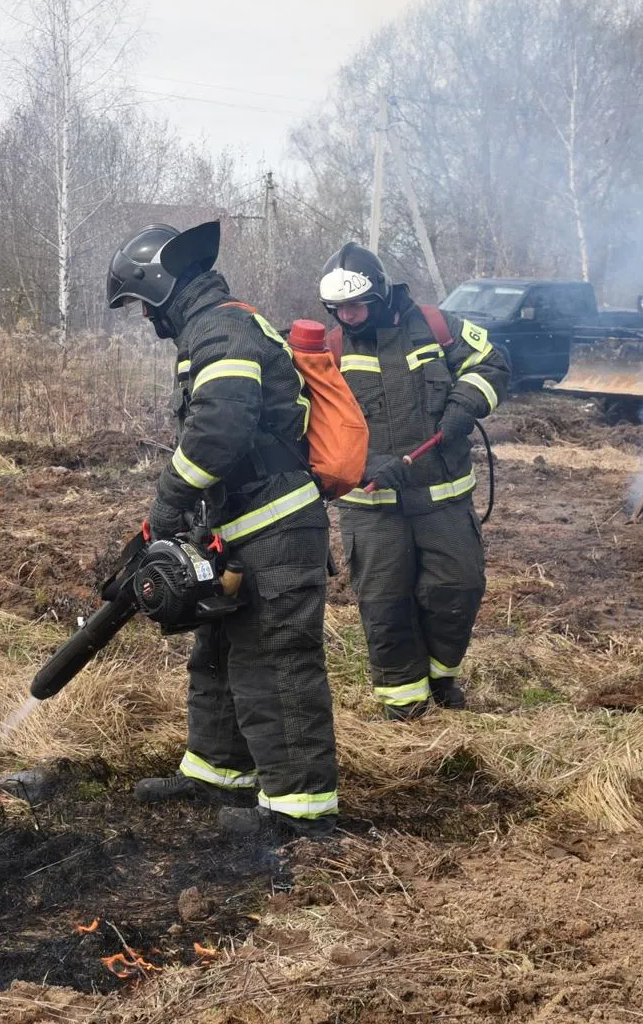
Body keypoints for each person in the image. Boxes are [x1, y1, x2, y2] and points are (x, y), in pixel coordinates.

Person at [106, 220, 339, 840]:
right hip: (239, 528)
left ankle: (300, 809)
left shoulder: (222, 330)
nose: (146, 318)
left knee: (275, 660)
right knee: (218, 653)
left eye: (143, 303)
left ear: (162, 288)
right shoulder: (211, 329)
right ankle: (219, 774)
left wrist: (167, 506)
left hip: (276, 528)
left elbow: (218, 431)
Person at [319, 243, 509, 718]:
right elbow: (315, 427)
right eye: (337, 308)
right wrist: (364, 465)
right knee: (386, 606)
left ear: (380, 294)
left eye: (356, 305)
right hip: (372, 510)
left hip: (444, 500)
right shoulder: (330, 350)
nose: (347, 315)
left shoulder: (437, 326)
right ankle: (404, 704)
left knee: (458, 589)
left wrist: (463, 405)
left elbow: (491, 362)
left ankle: (441, 677)